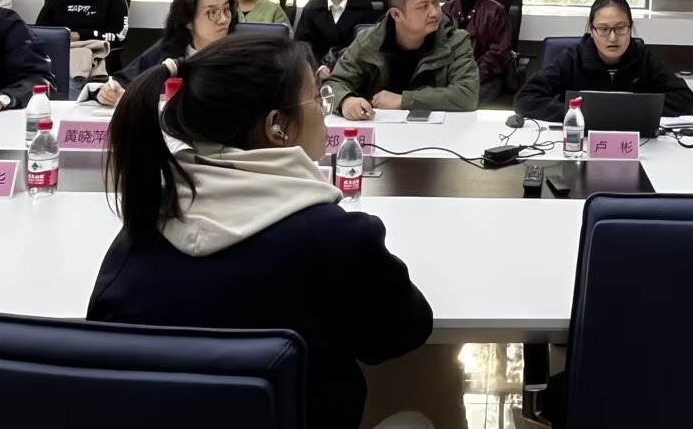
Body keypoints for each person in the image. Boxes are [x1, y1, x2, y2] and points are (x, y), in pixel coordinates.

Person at [87, 33, 435, 429]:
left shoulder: (143, 226)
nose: (324, 111)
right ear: (277, 126)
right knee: (418, 414)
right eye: (316, 98)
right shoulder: (335, 237)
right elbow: (404, 332)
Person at [514, 0, 693, 122]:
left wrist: (633, 110)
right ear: (592, 30)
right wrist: (578, 114)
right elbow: (525, 99)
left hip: (638, 142)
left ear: (630, 27)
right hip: (581, 140)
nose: (612, 38)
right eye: (603, 29)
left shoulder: (643, 57)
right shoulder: (572, 58)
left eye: (620, 28)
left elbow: (686, 100)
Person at [329, 0, 479, 120]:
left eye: (435, 2)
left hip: (437, 130)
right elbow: (334, 84)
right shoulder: (369, 42)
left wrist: (403, 100)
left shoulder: (455, 40)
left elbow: (467, 94)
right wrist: (345, 100)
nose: (434, 12)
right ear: (396, 15)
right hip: (379, 127)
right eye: (423, 6)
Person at [97, 0, 237, 108]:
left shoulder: (240, 52)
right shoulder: (166, 50)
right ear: (188, 21)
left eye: (226, 10)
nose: (223, 20)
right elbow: (124, 80)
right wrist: (108, 92)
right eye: (212, 12)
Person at [440, 0, 512, 104]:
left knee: (467, 101)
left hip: (486, 76)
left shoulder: (495, 10)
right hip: (452, 75)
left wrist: (474, 76)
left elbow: (500, 52)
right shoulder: (446, 10)